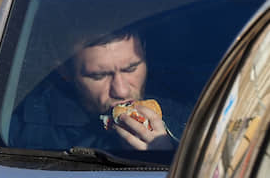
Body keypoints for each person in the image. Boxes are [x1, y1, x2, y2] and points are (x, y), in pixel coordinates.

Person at [9, 30, 177, 152]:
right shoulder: (24, 132)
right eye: (98, 76)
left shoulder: (185, 114)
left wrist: (170, 158)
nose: (121, 91)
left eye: (130, 69)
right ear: (65, 72)